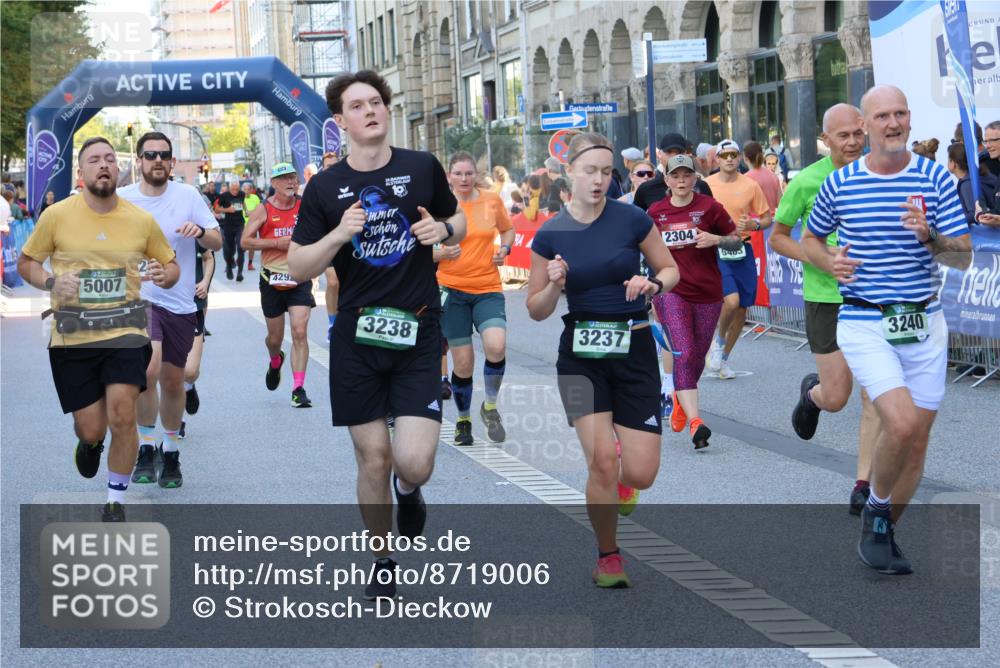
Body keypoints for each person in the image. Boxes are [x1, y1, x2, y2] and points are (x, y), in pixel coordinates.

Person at [288, 70, 466, 600]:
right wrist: (341, 232)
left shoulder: (421, 167)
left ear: (386, 112)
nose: (371, 111)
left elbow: (458, 223)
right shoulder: (323, 188)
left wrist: (443, 231)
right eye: (358, 105)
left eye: (377, 102)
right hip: (357, 338)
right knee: (373, 457)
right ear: (340, 121)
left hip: (416, 329)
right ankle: (381, 557)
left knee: (412, 461)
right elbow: (298, 266)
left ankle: (409, 491)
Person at [802, 85, 970, 574]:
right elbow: (810, 239)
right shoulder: (842, 183)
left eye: (900, 114)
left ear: (910, 120)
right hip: (865, 319)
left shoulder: (936, 179)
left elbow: (962, 256)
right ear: (866, 124)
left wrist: (931, 236)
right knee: (899, 422)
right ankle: (876, 508)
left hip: (924, 321)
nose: (892, 123)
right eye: (882, 116)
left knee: (917, 440)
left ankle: (882, 529)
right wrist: (829, 261)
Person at [527, 132, 679, 588]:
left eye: (605, 172)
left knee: (641, 473)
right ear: (569, 172)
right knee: (601, 463)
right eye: (589, 171)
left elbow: (670, 268)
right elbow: (536, 309)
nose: (598, 180)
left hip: (633, 351)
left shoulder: (632, 219)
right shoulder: (551, 232)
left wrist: (652, 285)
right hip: (579, 357)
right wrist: (554, 283)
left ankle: (625, 482)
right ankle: (608, 555)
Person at [17, 136, 180, 521]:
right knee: (92, 428)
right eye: (94, 159)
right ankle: (89, 445)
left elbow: (170, 266)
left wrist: (165, 274)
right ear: (81, 172)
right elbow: (27, 263)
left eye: (109, 158)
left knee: (123, 415)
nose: (103, 164)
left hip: (125, 333)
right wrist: (52, 284)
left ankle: (114, 501)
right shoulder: (56, 216)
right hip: (73, 335)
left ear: (118, 168)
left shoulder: (140, 220)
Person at [771, 103, 882, 515]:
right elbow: (778, 238)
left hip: (874, 298)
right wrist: (821, 256)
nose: (852, 142)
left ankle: (864, 485)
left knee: (876, 397)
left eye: (857, 134)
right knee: (837, 396)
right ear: (826, 139)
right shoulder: (808, 180)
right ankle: (812, 396)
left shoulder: (881, 173)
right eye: (843, 136)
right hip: (826, 299)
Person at [119, 132, 223, 488]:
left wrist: (199, 234)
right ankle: (146, 448)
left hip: (179, 302)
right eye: (150, 155)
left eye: (164, 155)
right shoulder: (122, 200)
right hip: (139, 299)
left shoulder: (188, 196)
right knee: (148, 370)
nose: (158, 160)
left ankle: (171, 450)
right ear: (139, 161)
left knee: (174, 379)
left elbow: (217, 240)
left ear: (173, 162)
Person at [647, 155, 739, 449]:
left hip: (708, 292)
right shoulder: (655, 212)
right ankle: (696, 421)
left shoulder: (709, 207)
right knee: (684, 352)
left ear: (695, 178)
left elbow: (736, 239)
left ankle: (679, 399)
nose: (682, 180)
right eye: (676, 176)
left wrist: (716, 239)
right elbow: (642, 247)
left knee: (696, 356)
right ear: (667, 180)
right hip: (670, 291)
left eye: (687, 175)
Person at [436, 152, 516, 445]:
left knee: (496, 346)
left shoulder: (491, 200)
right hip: (451, 288)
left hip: (487, 287)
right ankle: (464, 419)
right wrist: (439, 253)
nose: (464, 179)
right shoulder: (439, 206)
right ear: (449, 176)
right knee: (464, 363)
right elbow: (420, 247)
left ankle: (490, 407)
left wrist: (504, 249)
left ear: (475, 174)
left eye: (468, 173)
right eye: (458, 174)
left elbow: (507, 230)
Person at [243, 163, 316, 407]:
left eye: (293, 177)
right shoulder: (264, 210)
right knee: (275, 338)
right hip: (272, 280)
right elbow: (246, 241)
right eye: (284, 178)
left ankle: (298, 388)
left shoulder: (304, 206)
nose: (291, 182)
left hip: (300, 278)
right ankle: (276, 359)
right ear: (273, 183)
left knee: (300, 331)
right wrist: (276, 243)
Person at [705, 139, 772, 379]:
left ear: (739, 157)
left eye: (734, 154)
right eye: (725, 156)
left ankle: (723, 359)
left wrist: (754, 224)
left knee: (742, 308)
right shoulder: (706, 184)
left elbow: (767, 218)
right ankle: (718, 342)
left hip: (742, 249)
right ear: (718, 159)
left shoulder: (750, 185)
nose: (730, 159)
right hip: (717, 249)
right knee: (730, 302)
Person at [180, 244, 215, 438]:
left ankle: (189, 386)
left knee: (190, 371)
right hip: (161, 307)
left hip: (192, 305)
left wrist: (204, 283)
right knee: (171, 368)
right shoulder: (150, 223)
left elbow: (209, 257)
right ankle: (178, 420)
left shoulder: (191, 227)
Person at [632, 133, 713, 212]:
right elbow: (635, 221)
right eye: (669, 152)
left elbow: (714, 216)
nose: (674, 156)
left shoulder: (701, 186)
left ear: (686, 154)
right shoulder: (646, 189)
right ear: (660, 154)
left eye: (679, 152)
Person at [947, 142, 998, 226]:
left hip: (988, 235)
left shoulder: (967, 185)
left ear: (953, 163)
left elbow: (974, 214)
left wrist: (955, 221)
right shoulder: (978, 177)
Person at [321, 152, 341, 342]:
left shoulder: (351, 180)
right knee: (333, 281)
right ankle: (332, 323)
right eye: (328, 166)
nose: (332, 168)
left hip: (351, 242)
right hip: (328, 241)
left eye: (335, 164)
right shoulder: (319, 187)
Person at [216, 180, 246, 281]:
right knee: (230, 250)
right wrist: (227, 210)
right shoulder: (224, 196)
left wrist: (246, 211)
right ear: (229, 188)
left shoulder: (242, 194)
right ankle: (229, 267)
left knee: (241, 247)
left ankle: (240, 273)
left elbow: (243, 202)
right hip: (228, 224)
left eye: (237, 189)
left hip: (240, 224)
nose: (235, 192)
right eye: (233, 190)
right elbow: (216, 209)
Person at [744, 141, 782, 214]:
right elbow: (780, 203)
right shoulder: (773, 176)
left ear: (745, 158)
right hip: (772, 221)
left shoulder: (745, 179)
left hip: (755, 222)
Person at [242, 182, 262, 271]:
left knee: (251, 245)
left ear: (251, 190)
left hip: (253, 225)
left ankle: (250, 263)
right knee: (242, 245)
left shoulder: (255, 198)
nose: (246, 191)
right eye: (244, 189)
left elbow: (260, 210)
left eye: (248, 189)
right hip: (241, 225)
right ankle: (239, 256)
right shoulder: (240, 198)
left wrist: (252, 213)